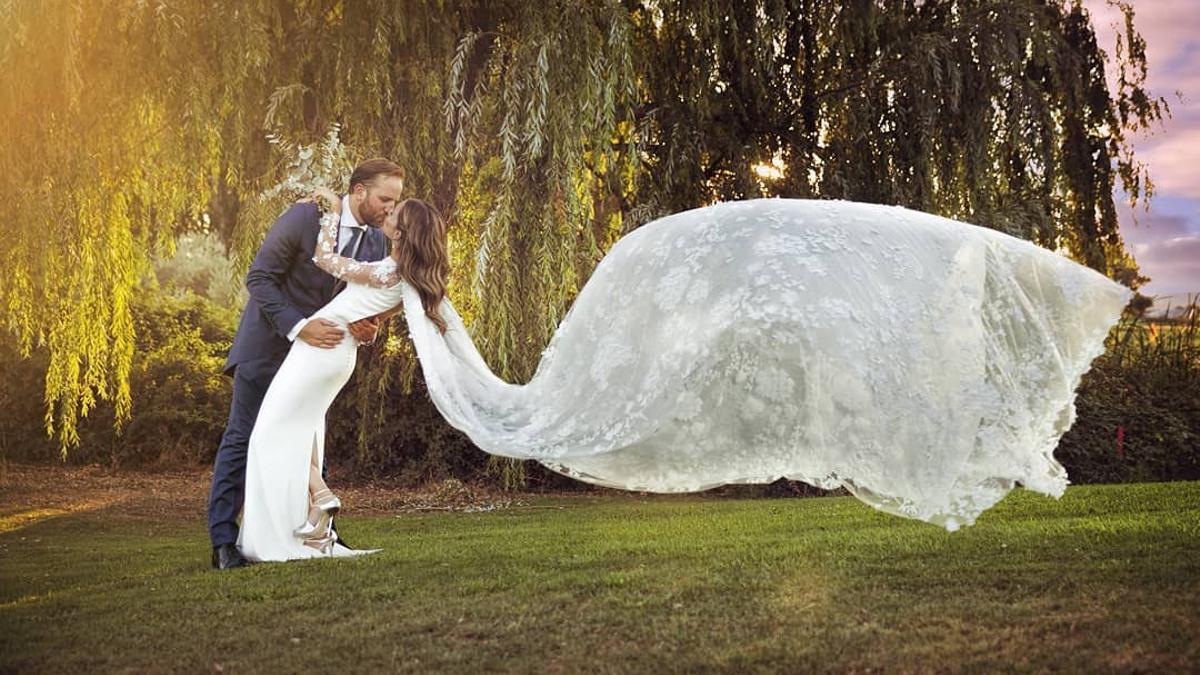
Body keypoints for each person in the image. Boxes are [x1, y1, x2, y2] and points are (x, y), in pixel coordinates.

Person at [242, 194, 1133, 563]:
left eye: (396, 223)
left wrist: (318, 224)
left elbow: (342, 271)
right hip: (390, 359)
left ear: (406, 238)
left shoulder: (401, 278)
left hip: (415, 367)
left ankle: (282, 527)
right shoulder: (423, 283)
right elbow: (361, 287)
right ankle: (287, 525)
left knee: (533, 411)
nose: (389, 230)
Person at [206, 158, 405, 570]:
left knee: (313, 441)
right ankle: (223, 541)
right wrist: (299, 327)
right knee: (243, 437)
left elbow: (356, 302)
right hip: (269, 345)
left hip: (320, 357)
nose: (390, 208)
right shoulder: (305, 216)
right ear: (359, 190)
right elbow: (259, 277)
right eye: (385, 198)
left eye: (396, 201)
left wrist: (368, 328)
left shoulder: (376, 244)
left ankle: (317, 534)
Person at [237, 193, 448, 562]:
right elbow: (370, 318)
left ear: (401, 233)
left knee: (268, 432)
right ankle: (316, 532)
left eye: (394, 213)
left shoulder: (386, 271)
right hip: (340, 352)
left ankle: (320, 497)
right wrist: (366, 326)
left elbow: (324, 260)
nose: (388, 213)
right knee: (305, 430)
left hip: (320, 348)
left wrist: (334, 210)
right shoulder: (404, 278)